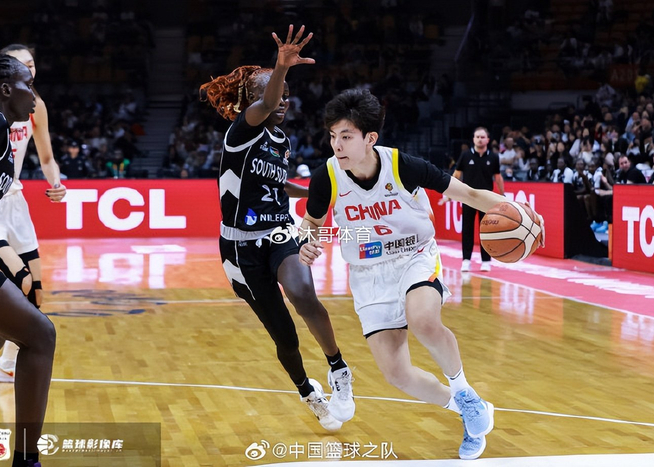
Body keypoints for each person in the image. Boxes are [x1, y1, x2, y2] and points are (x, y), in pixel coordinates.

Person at [299, 88, 543, 460]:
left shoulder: (403, 166)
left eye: (346, 136)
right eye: (333, 136)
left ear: (370, 138)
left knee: (423, 320)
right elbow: (311, 223)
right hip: (367, 273)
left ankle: (463, 389)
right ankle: (469, 409)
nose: (337, 145)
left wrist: (523, 212)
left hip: (414, 256)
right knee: (397, 375)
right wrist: (306, 241)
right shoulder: (327, 176)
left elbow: (471, 195)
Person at [199, 25, 354, 431]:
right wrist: (281, 66)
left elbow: (279, 183)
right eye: (275, 96)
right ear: (252, 102)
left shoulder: (280, 140)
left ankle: (339, 368)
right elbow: (266, 101)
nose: (282, 101)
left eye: (286, 96)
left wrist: (319, 190)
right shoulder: (241, 132)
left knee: (302, 293)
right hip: (239, 250)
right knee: (285, 336)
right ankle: (307, 390)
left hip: (279, 232)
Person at [0, 52, 56, 467]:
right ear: (5, 89)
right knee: (40, 334)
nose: (34, 95)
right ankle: (26, 459)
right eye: (28, 85)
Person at [451, 127, 504, 272]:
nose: (480, 139)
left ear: (488, 139)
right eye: (477, 137)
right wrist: (450, 193)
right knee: (467, 229)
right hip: (468, 197)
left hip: (486, 200)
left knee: (486, 230)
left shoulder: (493, 157)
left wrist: (502, 194)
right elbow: (456, 174)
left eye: (482, 137)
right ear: (473, 139)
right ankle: (466, 260)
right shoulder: (466, 155)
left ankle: (486, 261)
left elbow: (498, 177)